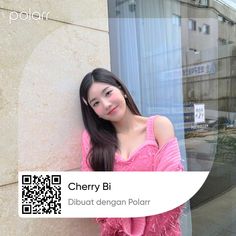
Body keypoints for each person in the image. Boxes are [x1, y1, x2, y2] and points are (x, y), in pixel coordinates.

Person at [79, 68, 184, 235]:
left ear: (121, 90)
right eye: (96, 103)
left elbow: (172, 193)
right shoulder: (92, 140)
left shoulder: (159, 126)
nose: (106, 104)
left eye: (108, 93)